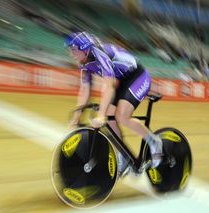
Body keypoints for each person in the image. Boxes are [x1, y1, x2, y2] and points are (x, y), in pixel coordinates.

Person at [64, 31, 163, 176]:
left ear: (84, 48)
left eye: (73, 50)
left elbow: (108, 86)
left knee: (121, 116)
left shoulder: (100, 54)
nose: (71, 54)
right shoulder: (84, 63)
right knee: (110, 120)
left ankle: (154, 141)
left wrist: (100, 115)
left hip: (138, 76)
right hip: (122, 80)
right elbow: (85, 90)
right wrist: (77, 116)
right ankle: (123, 155)